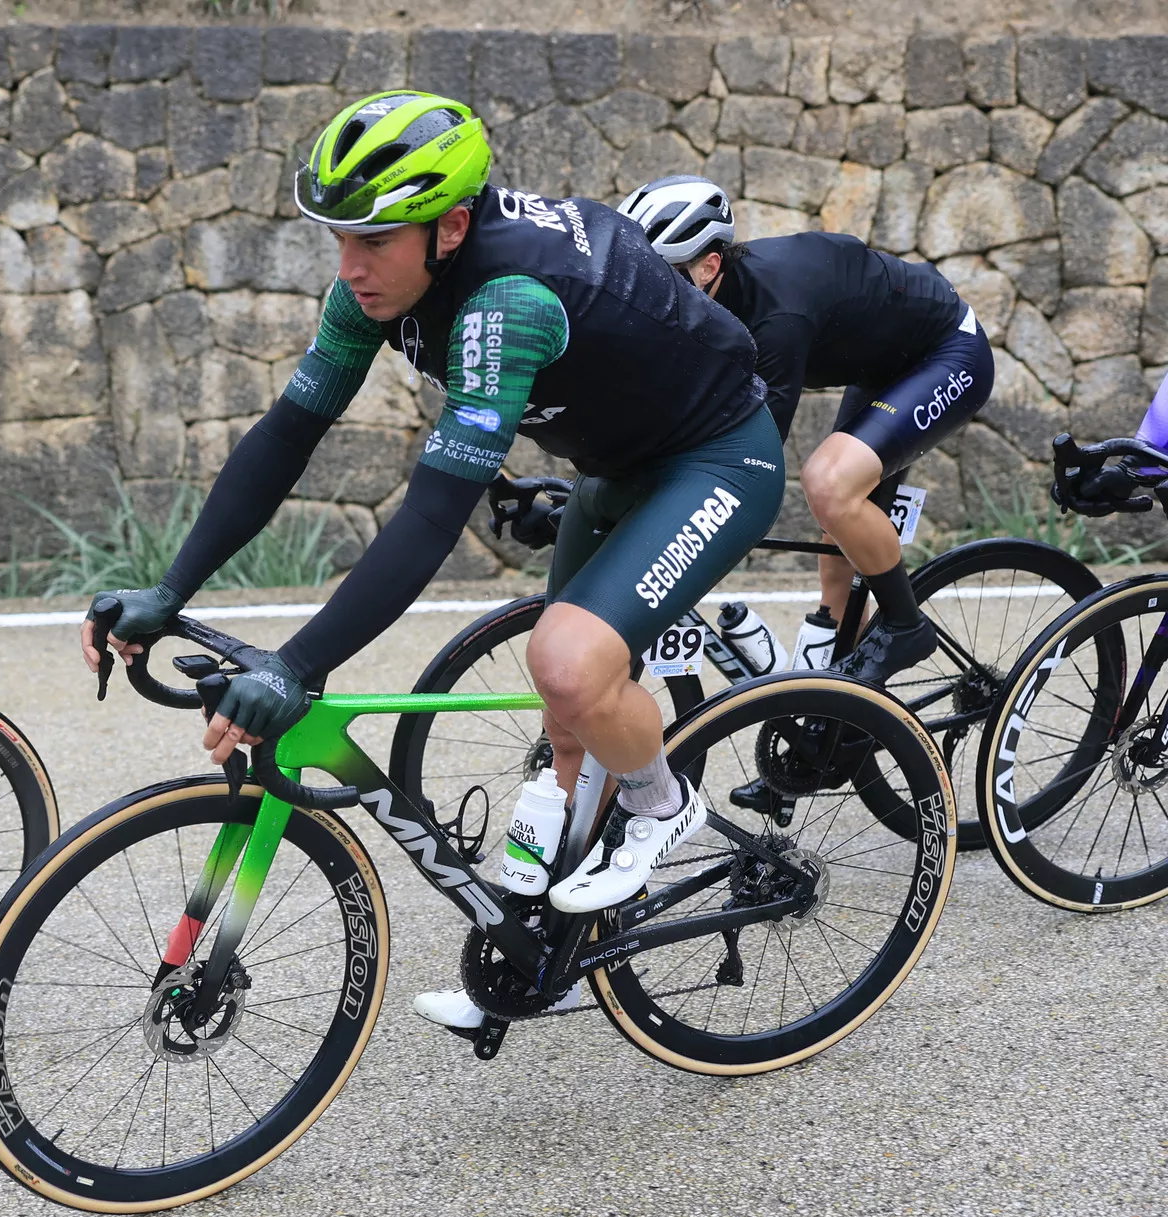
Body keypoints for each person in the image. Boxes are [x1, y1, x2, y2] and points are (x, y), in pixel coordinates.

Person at [78, 93, 784, 1033]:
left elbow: (432, 514)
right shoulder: (381, 284)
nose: (349, 265)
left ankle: (662, 800)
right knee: (567, 735)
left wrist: (295, 664)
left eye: (372, 240)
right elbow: (290, 433)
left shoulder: (506, 304)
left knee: (568, 667)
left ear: (451, 227)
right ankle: (545, 964)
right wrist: (171, 589)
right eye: (338, 238)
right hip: (616, 469)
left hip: (718, 460)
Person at [616, 176, 995, 685]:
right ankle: (844, 708)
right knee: (838, 530)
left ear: (709, 267)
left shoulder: (776, 317)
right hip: (882, 366)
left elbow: (750, 456)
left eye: (661, 276)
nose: (648, 292)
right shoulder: (699, 298)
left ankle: (906, 625)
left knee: (831, 485)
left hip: (947, 351)